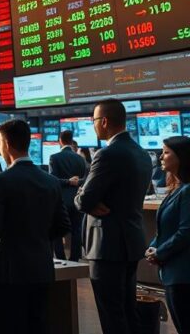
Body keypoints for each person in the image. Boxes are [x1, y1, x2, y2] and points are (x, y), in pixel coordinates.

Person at [0, 120, 69, 334]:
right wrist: (37, 237)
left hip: (8, 272)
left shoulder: (0, 181)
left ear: (6, 144)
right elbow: (63, 225)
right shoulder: (50, 181)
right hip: (41, 268)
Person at [75, 98, 153, 334]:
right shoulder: (141, 152)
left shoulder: (107, 154)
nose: (93, 125)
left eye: (94, 120)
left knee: (112, 315)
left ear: (104, 121)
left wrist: (81, 196)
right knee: (128, 310)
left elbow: (84, 199)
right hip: (131, 241)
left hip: (107, 245)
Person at [146, 136, 190, 334]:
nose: (161, 157)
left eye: (165, 152)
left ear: (181, 157)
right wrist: (154, 246)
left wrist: (159, 252)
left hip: (183, 275)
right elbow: (166, 228)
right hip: (173, 272)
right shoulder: (178, 188)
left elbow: (186, 232)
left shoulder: (187, 191)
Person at [49, 130, 87, 261]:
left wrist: (67, 181)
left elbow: (53, 180)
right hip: (77, 200)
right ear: (71, 141)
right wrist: (76, 182)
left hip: (61, 201)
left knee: (57, 231)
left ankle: (60, 258)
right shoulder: (80, 159)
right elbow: (84, 180)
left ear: (60, 141)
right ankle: (75, 259)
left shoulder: (54, 157)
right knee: (76, 230)